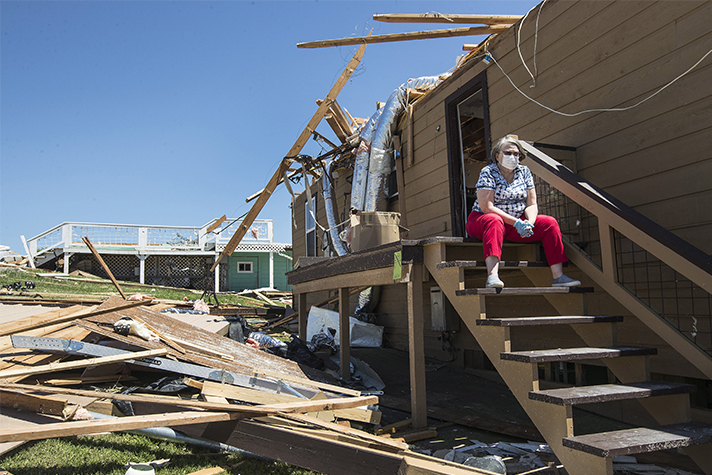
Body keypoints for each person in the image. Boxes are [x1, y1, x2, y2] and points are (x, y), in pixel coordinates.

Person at [465, 135, 581, 289]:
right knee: (494, 219)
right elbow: (487, 207)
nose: (512, 156)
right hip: (484, 221)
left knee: (549, 222)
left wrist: (529, 224)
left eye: (516, 153)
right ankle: (492, 276)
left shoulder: (524, 172)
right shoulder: (488, 172)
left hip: (515, 224)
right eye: (507, 153)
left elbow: (532, 204)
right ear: (497, 155)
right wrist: (517, 222)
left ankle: (558, 277)